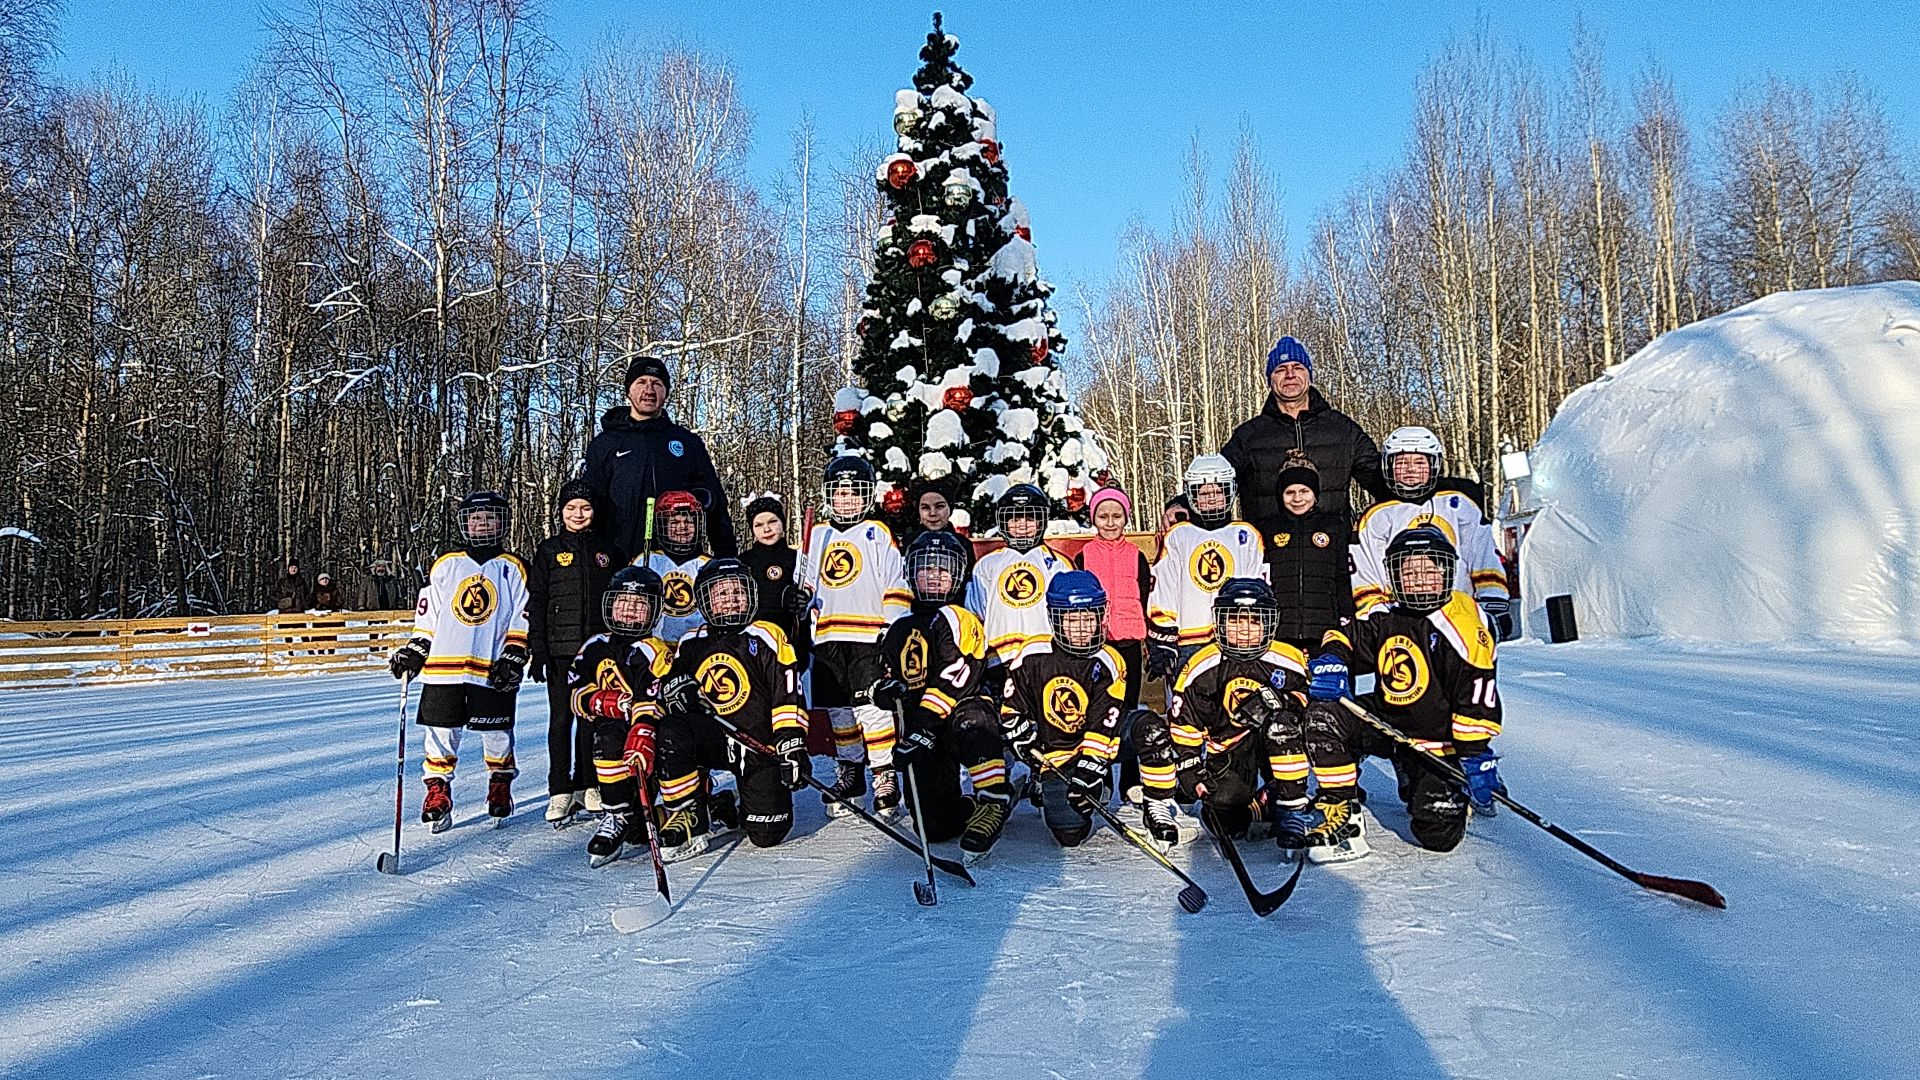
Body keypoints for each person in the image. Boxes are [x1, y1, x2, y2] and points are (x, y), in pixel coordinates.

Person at [1304, 526, 1506, 857]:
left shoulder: (1465, 624)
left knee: (1436, 836)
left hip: (1438, 741)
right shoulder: (1386, 613)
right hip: (1390, 723)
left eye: (1429, 569)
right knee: (1323, 717)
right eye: (1409, 571)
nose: (1420, 578)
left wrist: (1473, 754)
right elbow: (1343, 634)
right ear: (1395, 576)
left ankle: (1450, 787)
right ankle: (1342, 812)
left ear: (1446, 571)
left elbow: (1476, 700)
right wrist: (1332, 660)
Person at [1128, 578, 1312, 852]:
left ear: (1269, 623)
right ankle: (1259, 806)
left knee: (1282, 725)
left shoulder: (1290, 658)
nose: (1245, 631)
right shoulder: (1201, 666)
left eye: (1254, 621)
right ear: (1221, 622)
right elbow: (1184, 723)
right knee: (1225, 823)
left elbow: (1309, 704)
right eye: (1236, 621)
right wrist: (1190, 766)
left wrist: (1283, 701)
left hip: (1277, 743)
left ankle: (1292, 809)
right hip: (1229, 748)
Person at [387, 491, 532, 830]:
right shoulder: (447, 564)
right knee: (440, 731)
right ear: (465, 523)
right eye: (475, 518)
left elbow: (521, 616)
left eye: (490, 517)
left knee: (496, 730)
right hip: (443, 666)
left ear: (502, 522)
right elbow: (429, 615)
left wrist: (513, 655)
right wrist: (416, 650)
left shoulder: (513, 567)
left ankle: (499, 783)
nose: (482, 524)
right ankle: (438, 790)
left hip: (491, 664)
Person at [651, 558, 810, 859]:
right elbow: (666, 684)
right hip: (715, 739)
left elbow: (787, 694)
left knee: (766, 833)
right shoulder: (690, 642)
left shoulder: (768, 635)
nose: (731, 600)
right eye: (721, 595)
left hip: (758, 745)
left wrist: (791, 744)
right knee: (672, 730)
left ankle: (723, 805)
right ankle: (689, 811)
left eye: (738, 592)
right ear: (706, 600)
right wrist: (675, 688)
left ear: (750, 595)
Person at [869, 529, 1011, 864]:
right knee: (934, 828)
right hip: (924, 727)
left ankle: (993, 799)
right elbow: (887, 676)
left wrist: (923, 727)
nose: (933, 576)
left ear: (958, 575)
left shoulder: (960, 618)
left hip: (958, 714)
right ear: (911, 573)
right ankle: (964, 808)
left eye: (943, 569)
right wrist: (886, 693)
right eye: (925, 568)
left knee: (975, 723)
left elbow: (956, 678)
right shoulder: (899, 626)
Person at [797, 457, 911, 817]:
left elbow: (895, 582)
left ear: (867, 496)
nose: (847, 500)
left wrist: (891, 633)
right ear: (831, 496)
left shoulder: (878, 532)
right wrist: (801, 598)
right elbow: (808, 585)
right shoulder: (817, 535)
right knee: (840, 712)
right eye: (840, 493)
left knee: (872, 710)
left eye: (854, 493)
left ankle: (884, 773)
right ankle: (851, 771)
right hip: (828, 636)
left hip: (867, 636)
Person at [999, 570, 1128, 847]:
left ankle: (1109, 786)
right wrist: (1021, 737)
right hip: (1052, 751)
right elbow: (1011, 710)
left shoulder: (1109, 660)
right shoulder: (1033, 654)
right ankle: (1033, 778)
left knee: (1147, 728)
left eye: (1088, 618)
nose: (1081, 628)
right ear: (1056, 619)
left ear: (1100, 618)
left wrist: (1089, 770)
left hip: (1087, 747)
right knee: (1067, 834)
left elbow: (1103, 726)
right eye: (1072, 619)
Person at [1350, 426, 1510, 635]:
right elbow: (1365, 571)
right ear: (1388, 466)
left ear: (1433, 464)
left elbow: (1483, 555)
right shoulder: (1375, 517)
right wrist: (1378, 616)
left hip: (1459, 614)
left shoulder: (1459, 505)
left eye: (1419, 462)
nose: (1410, 469)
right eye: (1402, 462)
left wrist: (1493, 600)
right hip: (1400, 618)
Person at [1221, 335, 1390, 530]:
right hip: (1269, 549)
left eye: (1298, 368)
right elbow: (1214, 484)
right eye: (1281, 370)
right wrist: (1181, 507)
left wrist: (1427, 491)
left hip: (1331, 547)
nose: (1290, 375)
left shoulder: (1342, 429)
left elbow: (1380, 479)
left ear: (1309, 375)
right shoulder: (1249, 435)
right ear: (1270, 380)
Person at [528, 479, 623, 825]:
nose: (578, 514)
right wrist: (538, 649)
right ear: (561, 512)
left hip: (597, 651)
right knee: (561, 719)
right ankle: (559, 789)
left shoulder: (606, 549)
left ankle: (588, 784)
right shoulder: (550, 550)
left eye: (584, 507)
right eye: (571, 508)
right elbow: (537, 601)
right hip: (560, 651)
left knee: (591, 717)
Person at [567, 565, 675, 867]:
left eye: (639, 605)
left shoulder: (656, 651)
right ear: (610, 604)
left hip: (651, 738)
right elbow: (575, 691)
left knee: (668, 741)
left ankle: (696, 805)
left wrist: (641, 728)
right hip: (614, 742)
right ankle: (616, 814)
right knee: (608, 735)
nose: (629, 611)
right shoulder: (594, 646)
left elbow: (653, 697)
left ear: (654, 611)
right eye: (623, 603)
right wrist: (610, 703)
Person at [582, 354, 737, 559]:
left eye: (657, 384)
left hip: (678, 563)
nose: (649, 390)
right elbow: (587, 506)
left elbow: (715, 506)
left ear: (666, 393)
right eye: (641, 382)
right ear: (628, 391)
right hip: (620, 560)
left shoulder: (687, 443)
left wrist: (727, 559)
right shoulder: (605, 444)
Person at [1145, 455, 1265, 682]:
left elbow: (1257, 588)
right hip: (1190, 641)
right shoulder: (1179, 535)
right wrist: (1162, 637)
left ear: (1229, 493)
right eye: (1203, 493)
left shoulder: (1246, 535)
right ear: (1191, 496)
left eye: (1218, 492)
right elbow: (1164, 588)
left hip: (1235, 638)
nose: (1211, 498)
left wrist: (1251, 629)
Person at [967, 483, 1067, 690]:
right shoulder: (987, 565)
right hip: (1000, 659)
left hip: (1045, 656)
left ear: (1042, 521)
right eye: (1015, 518)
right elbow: (975, 615)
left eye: (1029, 518)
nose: (1022, 525)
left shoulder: (1058, 564)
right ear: (1004, 521)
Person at [1262, 456, 1355, 652]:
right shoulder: (1268, 528)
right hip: (1280, 630)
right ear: (1281, 495)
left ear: (1315, 493)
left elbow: (1342, 575)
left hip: (1324, 628)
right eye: (1290, 492)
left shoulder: (1333, 526)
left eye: (1304, 491)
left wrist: (1346, 615)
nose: (1297, 499)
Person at [632, 489, 711, 645]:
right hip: (655, 646)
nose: (682, 527)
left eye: (688, 522)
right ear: (663, 526)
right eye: (674, 523)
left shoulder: (707, 565)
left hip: (697, 646)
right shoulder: (647, 561)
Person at [737, 493, 806, 668]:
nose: (766, 529)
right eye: (759, 525)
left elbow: (810, 592)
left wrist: (801, 598)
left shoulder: (797, 558)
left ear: (783, 523)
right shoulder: (743, 562)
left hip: (790, 638)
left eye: (772, 522)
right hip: (753, 639)